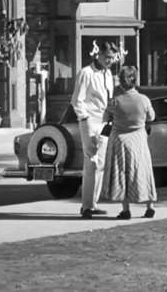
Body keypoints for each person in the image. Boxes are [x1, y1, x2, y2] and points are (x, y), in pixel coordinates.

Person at [101, 66, 157, 219]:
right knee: (143, 172)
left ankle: (125, 210)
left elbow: (105, 119)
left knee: (122, 174)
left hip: (120, 140)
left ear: (120, 81)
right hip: (139, 140)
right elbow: (151, 117)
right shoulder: (144, 100)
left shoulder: (115, 101)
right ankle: (149, 206)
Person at [71, 40, 118, 219]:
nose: (110, 61)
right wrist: (84, 118)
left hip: (105, 121)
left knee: (101, 164)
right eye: (107, 57)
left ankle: (93, 203)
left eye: (112, 58)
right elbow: (77, 99)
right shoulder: (86, 73)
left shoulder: (108, 74)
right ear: (98, 54)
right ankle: (86, 206)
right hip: (91, 120)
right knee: (91, 161)